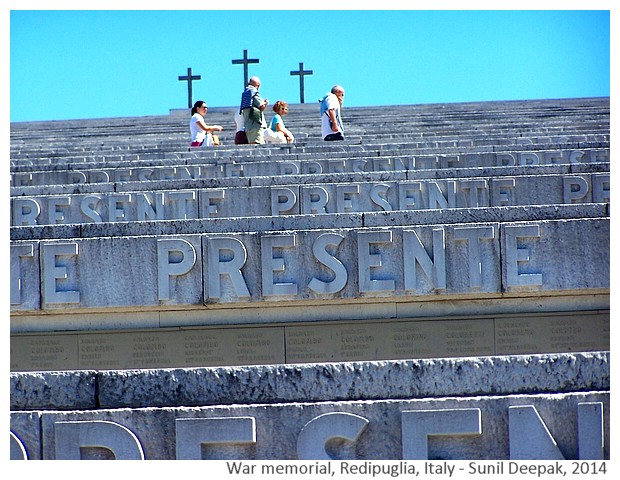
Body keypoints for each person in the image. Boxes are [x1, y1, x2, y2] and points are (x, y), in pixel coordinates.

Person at [239, 76, 269, 144]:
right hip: (255, 125)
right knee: (257, 145)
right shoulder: (254, 92)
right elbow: (261, 106)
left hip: (248, 126)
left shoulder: (245, 93)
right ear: (258, 85)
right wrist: (265, 103)